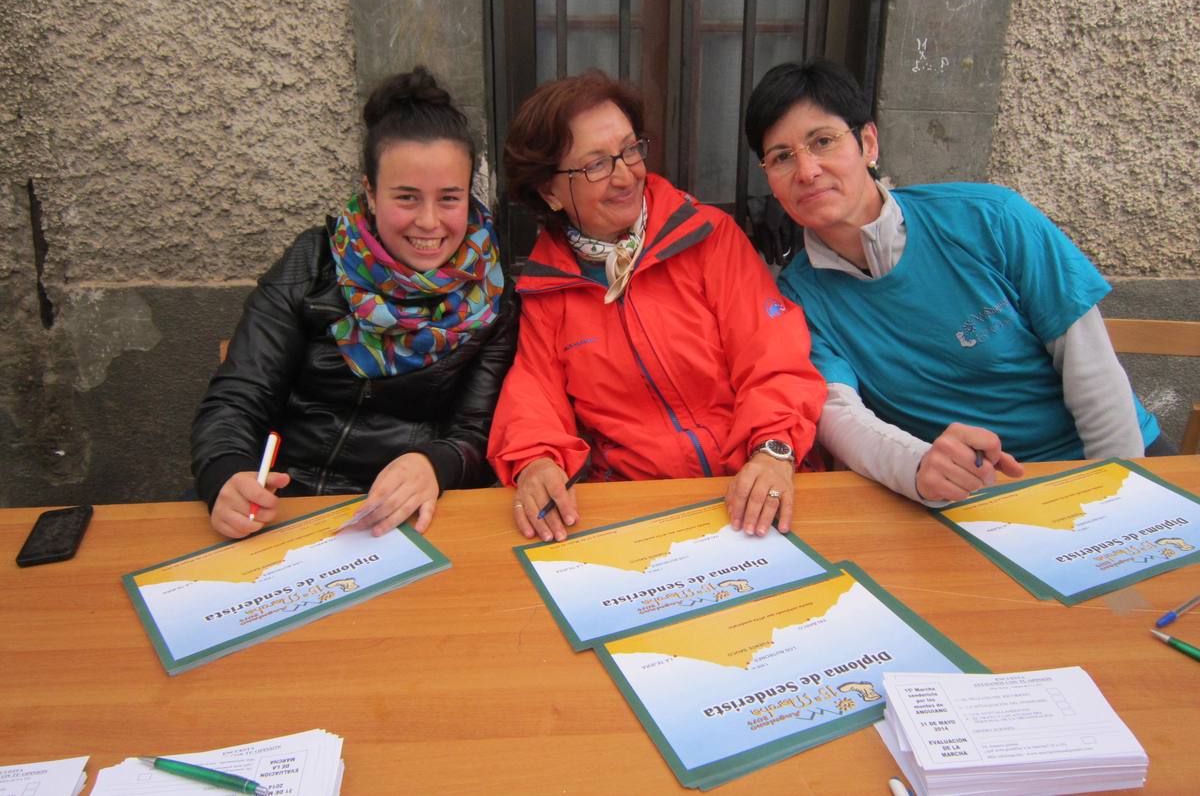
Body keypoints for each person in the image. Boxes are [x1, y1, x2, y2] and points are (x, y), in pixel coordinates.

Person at [743, 58, 1169, 505]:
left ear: (868, 142)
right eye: (782, 157)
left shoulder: (991, 219)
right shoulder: (796, 297)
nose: (807, 170)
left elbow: (1091, 368)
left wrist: (1114, 496)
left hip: (1110, 464)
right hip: (961, 497)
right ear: (769, 179)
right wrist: (919, 464)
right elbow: (838, 413)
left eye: (823, 141)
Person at [488, 70, 826, 542]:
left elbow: (773, 356)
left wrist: (773, 450)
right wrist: (536, 461)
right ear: (549, 192)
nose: (626, 175)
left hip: (755, 486)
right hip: (636, 510)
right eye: (597, 165)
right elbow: (533, 395)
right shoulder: (549, 288)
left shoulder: (707, 236)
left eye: (630, 150)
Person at [192, 67, 516, 539]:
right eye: (406, 197)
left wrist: (436, 463)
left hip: (400, 520)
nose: (429, 222)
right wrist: (225, 474)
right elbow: (239, 396)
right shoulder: (316, 260)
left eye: (449, 198)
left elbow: (476, 431)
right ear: (370, 192)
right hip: (280, 510)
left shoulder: (491, 293)